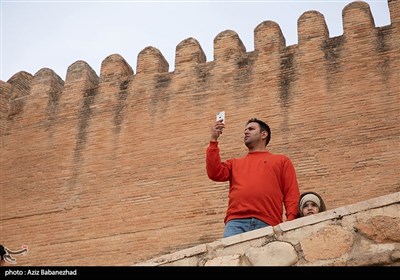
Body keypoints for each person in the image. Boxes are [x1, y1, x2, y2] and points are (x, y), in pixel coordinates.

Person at [206, 117, 300, 238]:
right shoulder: (234, 163)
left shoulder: (282, 161)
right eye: (245, 130)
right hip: (236, 222)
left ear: (264, 134)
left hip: (268, 222)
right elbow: (214, 173)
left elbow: (291, 193)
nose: (246, 132)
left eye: (251, 129)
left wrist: (291, 222)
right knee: (231, 256)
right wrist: (213, 140)